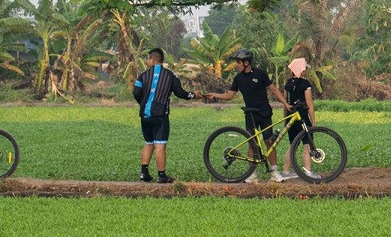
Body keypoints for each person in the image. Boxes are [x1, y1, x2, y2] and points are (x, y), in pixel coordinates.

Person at [203, 49, 290, 182]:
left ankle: (274, 172)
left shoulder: (260, 74)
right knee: (252, 144)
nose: (236, 65)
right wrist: (215, 95)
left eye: (238, 62)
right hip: (250, 114)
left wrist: (286, 104)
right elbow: (230, 95)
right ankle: (251, 174)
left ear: (246, 62)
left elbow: (274, 89)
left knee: (269, 142)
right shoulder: (238, 78)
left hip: (264, 112)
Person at [133, 46, 195, 183]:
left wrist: (143, 103)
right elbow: (180, 93)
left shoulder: (142, 75)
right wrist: (194, 95)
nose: (147, 61)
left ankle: (144, 173)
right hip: (160, 115)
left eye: (148, 59)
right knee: (160, 144)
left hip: (145, 116)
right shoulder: (171, 75)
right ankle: (161, 176)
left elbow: (136, 92)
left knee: (148, 143)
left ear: (153, 60)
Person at [283, 56, 318, 171]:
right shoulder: (305, 84)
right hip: (302, 118)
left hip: (290, 118)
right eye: (304, 69)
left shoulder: (288, 84)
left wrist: (285, 120)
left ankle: (286, 171)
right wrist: (313, 121)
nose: (306, 71)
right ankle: (307, 171)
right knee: (307, 145)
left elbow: (285, 104)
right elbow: (309, 105)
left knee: (292, 146)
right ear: (301, 70)